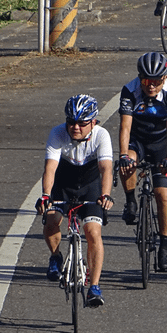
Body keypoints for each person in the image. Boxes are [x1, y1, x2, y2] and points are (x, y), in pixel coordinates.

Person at [35, 94, 114, 308]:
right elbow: (50, 168)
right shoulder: (57, 133)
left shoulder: (101, 135)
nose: (75, 127)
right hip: (64, 185)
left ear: (94, 122)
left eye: (81, 123)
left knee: (92, 232)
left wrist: (105, 194)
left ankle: (94, 287)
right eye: (71, 122)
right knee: (51, 219)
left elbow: (106, 169)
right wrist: (45, 195)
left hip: (90, 187)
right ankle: (55, 256)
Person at [118, 52, 167, 272]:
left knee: (163, 195)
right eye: (147, 81)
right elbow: (125, 126)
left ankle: (164, 246)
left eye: (156, 81)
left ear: (164, 79)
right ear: (140, 78)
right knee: (127, 161)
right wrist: (122, 155)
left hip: (160, 142)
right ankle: (130, 201)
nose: (151, 86)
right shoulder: (130, 90)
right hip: (138, 139)